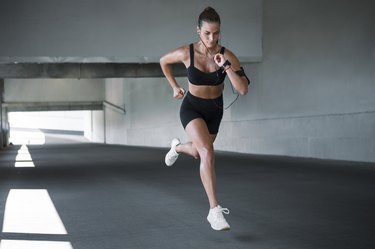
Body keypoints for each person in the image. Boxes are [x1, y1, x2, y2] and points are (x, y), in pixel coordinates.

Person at [159, 7, 250, 231]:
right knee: (208, 153)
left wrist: (226, 67)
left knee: (199, 152)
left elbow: (243, 90)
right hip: (192, 108)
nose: (212, 38)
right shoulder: (186, 52)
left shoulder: (227, 56)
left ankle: (178, 147)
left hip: (214, 111)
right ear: (198, 31)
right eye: (207, 33)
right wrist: (174, 87)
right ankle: (214, 211)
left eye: (216, 33)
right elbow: (163, 61)